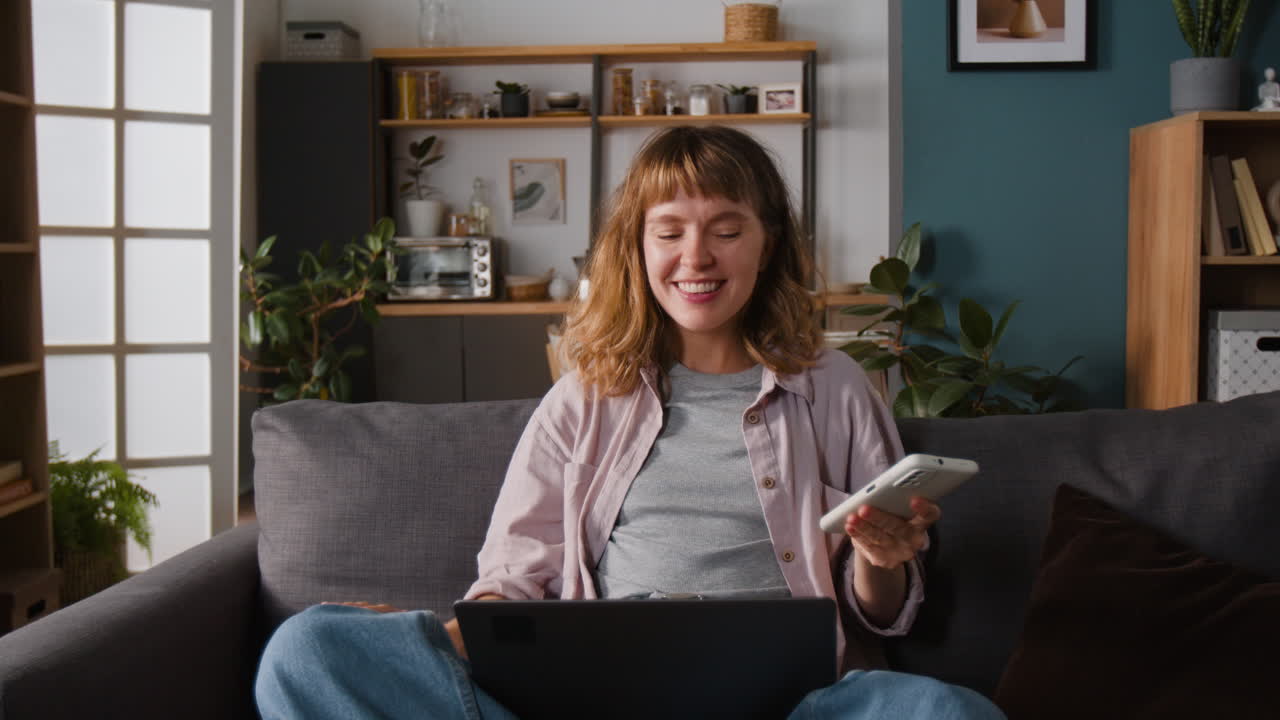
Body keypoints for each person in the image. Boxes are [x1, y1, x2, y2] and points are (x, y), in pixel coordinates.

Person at [255, 126, 1005, 720]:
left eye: (726, 228)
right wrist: (454, 636)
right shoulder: (584, 398)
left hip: (797, 703)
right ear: (639, 247)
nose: (696, 257)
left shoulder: (834, 388)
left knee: (950, 713)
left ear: (768, 239)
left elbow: (882, 614)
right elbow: (513, 576)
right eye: (669, 230)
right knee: (305, 653)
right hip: (600, 697)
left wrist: (882, 557)